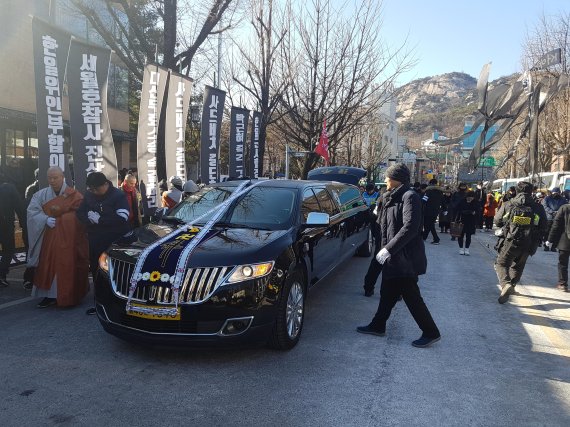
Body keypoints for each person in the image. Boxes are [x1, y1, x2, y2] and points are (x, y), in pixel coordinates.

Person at [357, 163, 441, 348]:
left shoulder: (410, 197)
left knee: (411, 297)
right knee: (387, 292)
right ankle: (378, 325)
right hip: (393, 257)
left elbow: (410, 228)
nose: (385, 180)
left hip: (405, 258)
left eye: (388, 177)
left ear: (396, 179)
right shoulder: (390, 196)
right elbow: (385, 224)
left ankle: (431, 331)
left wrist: (389, 249)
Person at [26, 167, 89, 308]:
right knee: (47, 266)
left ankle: (69, 295)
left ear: (63, 177)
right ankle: (48, 296)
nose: (52, 180)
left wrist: (63, 220)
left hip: (68, 240)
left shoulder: (74, 195)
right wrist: (44, 220)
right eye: (50, 178)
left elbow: (81, 215)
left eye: (55, 177)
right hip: (47, 239)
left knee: (66, 266)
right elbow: (32, 212)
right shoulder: (40, 195)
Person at [77, 172, 131, 315]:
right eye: (91, 189)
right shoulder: (89, 195)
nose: (94, 192)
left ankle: (119, 304)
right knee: (97, 271)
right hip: (95, 240)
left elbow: (123, 217)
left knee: (115, 272)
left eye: (96, 189)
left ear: (105, 184)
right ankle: (99, 303)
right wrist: (89, 220)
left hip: (114, 241)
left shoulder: (118, 196)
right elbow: (80, 212)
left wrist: (100, 220)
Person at [494, 181, 547, 304]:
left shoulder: (509, 204)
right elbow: (544, 225)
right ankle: (512, 285)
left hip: (510, 240)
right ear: (531, 192)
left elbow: (497, 221)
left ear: (516, 191)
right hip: (529, 242)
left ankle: (506, 284)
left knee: (501, 263)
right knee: (518, 265)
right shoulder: (538, 207)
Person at [0, 172, 26, 288]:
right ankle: (1, 275)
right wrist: (23, 223)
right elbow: (19, 206)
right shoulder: (9, 188)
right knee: (8, 250)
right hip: (6, 224)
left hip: (5, 223)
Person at [546, 203, 570, 292]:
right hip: (565, 241)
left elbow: (556, 224)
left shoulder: (564, 208)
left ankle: (563, 284)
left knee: (563, 264)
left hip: (565, 241)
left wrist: (550, 239)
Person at [454, 190, 480, 255]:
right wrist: (469, 211)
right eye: (469, 197)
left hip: (471, 221)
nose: (470, 198)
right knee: (460, 235)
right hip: (461, 220)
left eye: (472, 197)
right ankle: (461, 248)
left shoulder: (475, 202)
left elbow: (478, 211)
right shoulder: (462, 201)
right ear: (466, 197)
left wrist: (474, 212)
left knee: (469, 236)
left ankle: (467, 249)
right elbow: (456, 209)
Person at [542, 188, 566, 252]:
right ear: (552, 193)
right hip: (549, 217)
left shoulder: (563, 199)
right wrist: (552, 212)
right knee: (547, 232)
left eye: (557, 193)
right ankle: (546, 245)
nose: (555, 194)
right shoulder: (547, 198)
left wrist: (559, 212)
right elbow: (545, 206)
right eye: (554, 193)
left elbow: (565, 207)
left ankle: (554, 246)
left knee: (557, 233)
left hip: (559, 218)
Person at [422, 178, 444, 244]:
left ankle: (436, 239)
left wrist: (420, 205)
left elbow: (424, 200)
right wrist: (445, 209)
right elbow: (443, 201)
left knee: (429, 224)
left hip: (427, 211)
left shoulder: (428, 191)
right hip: (436, 211)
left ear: (430, 183)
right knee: (430, 224)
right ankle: (424, 237)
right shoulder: (440, 192)